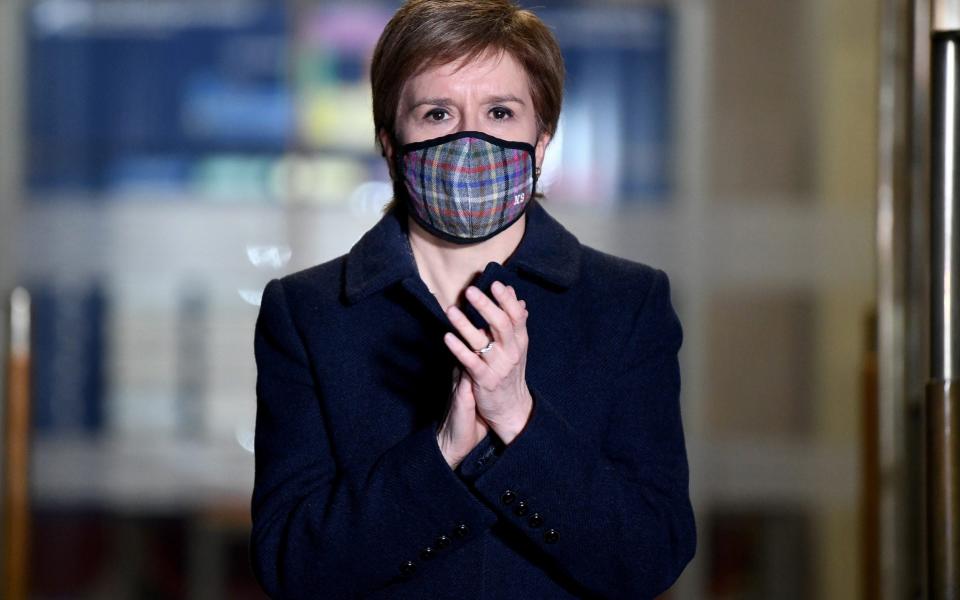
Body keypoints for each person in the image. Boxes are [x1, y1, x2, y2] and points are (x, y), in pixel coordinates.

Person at [250, 1, 696, 598]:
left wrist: (517, 417)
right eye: (437, 113)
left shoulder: (626, 304)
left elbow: (650, 557)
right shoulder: (307, 313)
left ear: (541, 141)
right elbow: (290, 567)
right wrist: (440, 454)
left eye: (500, 112)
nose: (469, 141)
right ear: (389, 140)